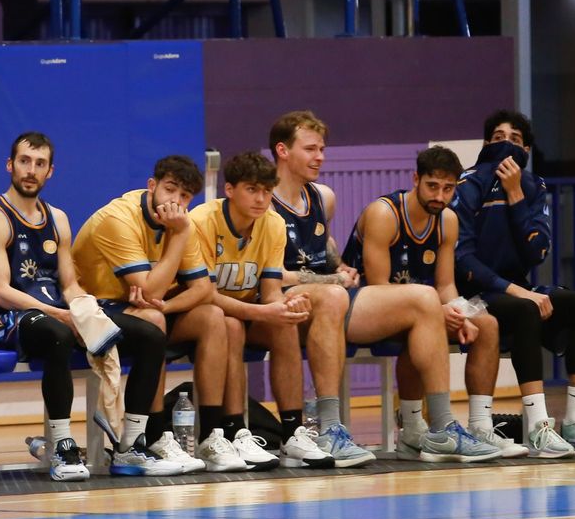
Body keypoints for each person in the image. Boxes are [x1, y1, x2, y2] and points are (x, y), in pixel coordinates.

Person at [0, 131, 163, 482]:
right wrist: (62, 314)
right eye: (24, 161)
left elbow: (69, 284)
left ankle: (130, 443)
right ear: (10, 165)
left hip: (57, 313)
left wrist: (85, 310)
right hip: (2, 319)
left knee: (149, 334)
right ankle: (61, 445)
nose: (31, 170)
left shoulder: (57, 218)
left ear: (50, 172)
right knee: (57, 332)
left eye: (39, 164)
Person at [450, 110, 575, 455]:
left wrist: (515, 197)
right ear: (485, 145)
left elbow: (536, 251)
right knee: (526, 307)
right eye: (498, 138)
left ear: (526, 148)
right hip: (473, 295)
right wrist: (515, 290)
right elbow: (462, 259)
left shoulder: (532, 186)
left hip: (516, 287)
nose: (506, 146)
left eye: (514, 140)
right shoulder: (468, 185)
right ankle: (539, 426)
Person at [342, 147, 505, 463]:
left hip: (418, 308)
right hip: (363, 308)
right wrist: (434, 309)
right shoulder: (384, 214)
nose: (440, 196)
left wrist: (460, 311)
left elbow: (444, 284)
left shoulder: (448, 221)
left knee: (486, 323)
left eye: (448, 189)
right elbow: (379, 287)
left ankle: (480, 426)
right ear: (415, 179)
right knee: (424, 307)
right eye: (433, 186)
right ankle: (430, 427)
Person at [70, 155, 229, 475]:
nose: (176, 202)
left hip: (144, 308)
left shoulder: (180, 222)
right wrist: (179, 237)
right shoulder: (119, 218)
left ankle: (212, 436)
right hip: (93, 310)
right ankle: (150, 437)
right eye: (170, 190)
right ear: (152, 186)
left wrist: (168, 306)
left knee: (213, 317)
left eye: (185, 197)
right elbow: (149, 290)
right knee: (152, 320)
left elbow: (202, 289)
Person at [187, 151, 322, 471]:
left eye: (266, 190)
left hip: (244, 311)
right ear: (230, 189)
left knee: (286, 323)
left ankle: (293, 434)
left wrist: (286, 306)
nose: (261, 199)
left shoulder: (272, 224)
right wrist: (262, 312)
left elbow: (271, 291)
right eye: (252, 189)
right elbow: (204, 295)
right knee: (229, 323)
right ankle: (233, 431)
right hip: (199, 312)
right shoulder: (202, 221)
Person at [267, 110, 380, 468]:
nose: (320, 157)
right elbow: (274, 277)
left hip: (327, 299)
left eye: (322, 149)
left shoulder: (322, 197)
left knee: (422, 300)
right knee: (333, 297)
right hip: (276, 302)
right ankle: (330, 427)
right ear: (283, 151)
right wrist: (333, 281)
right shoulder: (262, 200)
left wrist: (339, 267)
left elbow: (324, 245)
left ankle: (432, 427)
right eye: (311, 149)